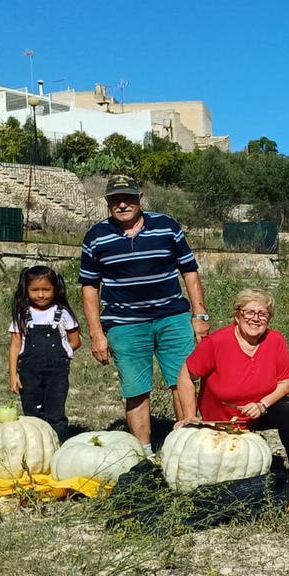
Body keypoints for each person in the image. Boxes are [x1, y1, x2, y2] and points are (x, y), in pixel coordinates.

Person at [80, 175, 210, 455]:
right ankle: (144, 454)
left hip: (172, 318)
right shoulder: (96, 236)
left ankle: (186, 447)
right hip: (124, 324)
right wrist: (96, 333)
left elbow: (189, 270)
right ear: (107, 202)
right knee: (135, 387)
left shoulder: (166, 226)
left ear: (140, 197)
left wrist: (200, 315)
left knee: (183, 379)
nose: (122, 204)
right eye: (115, 199)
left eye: (128, 197)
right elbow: (89, 287)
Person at [173, 289, 289, 472]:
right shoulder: (216, 342)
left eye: (263, 314)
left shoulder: (275, 340)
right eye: (249, 312)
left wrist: (261, 405)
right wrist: (189, 415)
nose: (256, 318)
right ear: (237, 315)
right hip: (220, 423)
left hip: (256, 415)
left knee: (288, 408)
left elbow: (285, 383)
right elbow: (186, 375)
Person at [7, 265, 81, 442]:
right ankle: (35, 445)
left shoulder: (62, 313)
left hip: (57, 373)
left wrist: (64, 350)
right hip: (28, 372)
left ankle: (58, 445)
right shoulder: (22, 314)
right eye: (35, 290)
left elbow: (76, 341)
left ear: (55, 289)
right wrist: (13, 374)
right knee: (32, 411)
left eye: (46, 290)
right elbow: (15, 346)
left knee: (55, 410)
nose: (40, 295)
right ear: (27, 290)